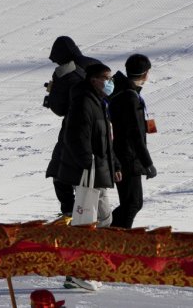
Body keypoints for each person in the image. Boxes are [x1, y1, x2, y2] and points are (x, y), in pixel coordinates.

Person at [58, 63, 122, 291]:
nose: (110, 82)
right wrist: (88, 164)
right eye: (107, 78)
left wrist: (113, 163)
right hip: (89, 173)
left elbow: (105, 139)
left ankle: (88, 267)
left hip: (99, 171)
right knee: (86, 223)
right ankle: (77, 273)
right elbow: (76, 138)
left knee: (104, 220)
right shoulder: (84, 102)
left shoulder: (99, 102)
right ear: (94, 79)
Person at [45, 36, 100, 218]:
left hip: (72, 128)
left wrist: (53, 92)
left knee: (60, 172)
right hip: (97, 126)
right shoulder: (94, 64)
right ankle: (89, 212)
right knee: (87, 174)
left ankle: (70, 212)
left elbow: (59, 108)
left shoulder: (63, 73)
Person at [109, 54, 157, 228]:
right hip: (128, 157)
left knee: (131, 203)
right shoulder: (130, 97)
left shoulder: (120, 90)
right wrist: (148, 163)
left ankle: (111, 232)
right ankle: (111, 234)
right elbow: (136, 134)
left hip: (121, 154)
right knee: (133, 203)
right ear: (145, 74)